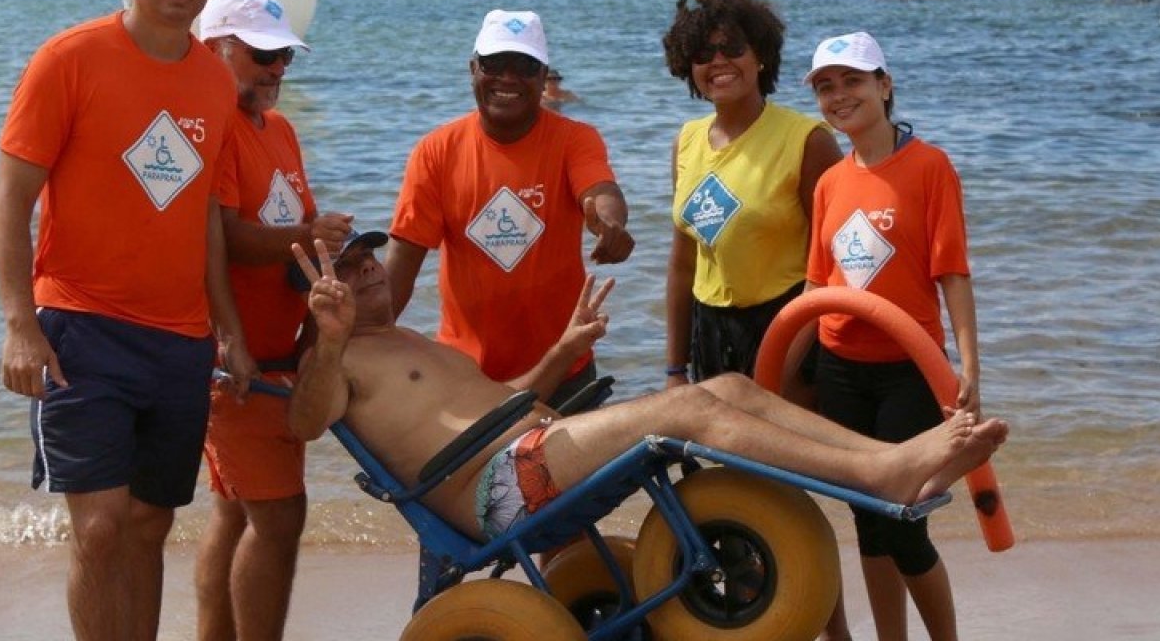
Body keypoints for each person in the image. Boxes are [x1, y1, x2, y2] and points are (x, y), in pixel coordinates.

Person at [286, 234, 1008, 546]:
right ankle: (885, 473)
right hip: (502, 488)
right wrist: (329, 335)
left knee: (725, 382)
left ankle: (895, 461)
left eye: (369, 257)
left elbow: (493, 398)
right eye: (346, 269)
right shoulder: (338, 355)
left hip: (532, 447)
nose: (371, 270)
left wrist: (560, 354)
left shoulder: (409, 342)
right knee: (690, 408)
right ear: (320, 296)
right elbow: (306, 423)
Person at [0, 0, 253, 641]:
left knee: (148, 525)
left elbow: (202, 214)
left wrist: (227, 329)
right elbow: (11, 197)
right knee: (101, 527)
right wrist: (19, 324)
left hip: (178, 339)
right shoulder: (68, 58)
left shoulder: (214, 83)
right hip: (80, 324)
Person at [801, 31, 979, 641]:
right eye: (826, 86)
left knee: (903, 522)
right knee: (867, 522)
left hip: (910, 368)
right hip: (839, 368)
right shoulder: (830, 181)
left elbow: (951, 270)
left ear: (884, 84)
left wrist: (968, 367)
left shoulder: (929, 165)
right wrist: (769, 374)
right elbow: (815, 286)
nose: (839, 95)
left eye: (852, 80)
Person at [193, 0, 351, 641]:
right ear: (214, 49)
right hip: (235, 359)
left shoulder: (279, 129)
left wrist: (328, 244)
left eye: (285, 56)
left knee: (234, 512)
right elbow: (224, 236)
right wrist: (312, 237)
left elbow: (289, 228)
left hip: (275, 354)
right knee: (278, 519)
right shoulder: (218, 127)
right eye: (262, 54)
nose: (277, 68)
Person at [386, 9, 634, 409]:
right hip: (465, 375)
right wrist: (363, 342)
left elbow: (602, 191)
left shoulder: (575, 139)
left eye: (524, 65)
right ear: (473, 68)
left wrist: (610, 224)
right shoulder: (435, 151)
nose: (507, 77)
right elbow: (402, 262)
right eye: (494, 64)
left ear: (543, 76)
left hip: (565, 370)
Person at [659, 0, 842, 391]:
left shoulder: (808, 140)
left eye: (733, 48)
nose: (719, 61)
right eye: (704, 54)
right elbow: (683, 263)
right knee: (719, 455)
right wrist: (675, 369)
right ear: (688, 66)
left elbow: (835, 265)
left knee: (791, 454)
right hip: (709, 333)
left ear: (760, 55)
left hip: (789, 324)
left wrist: (784, 359)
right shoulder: (685, 141)